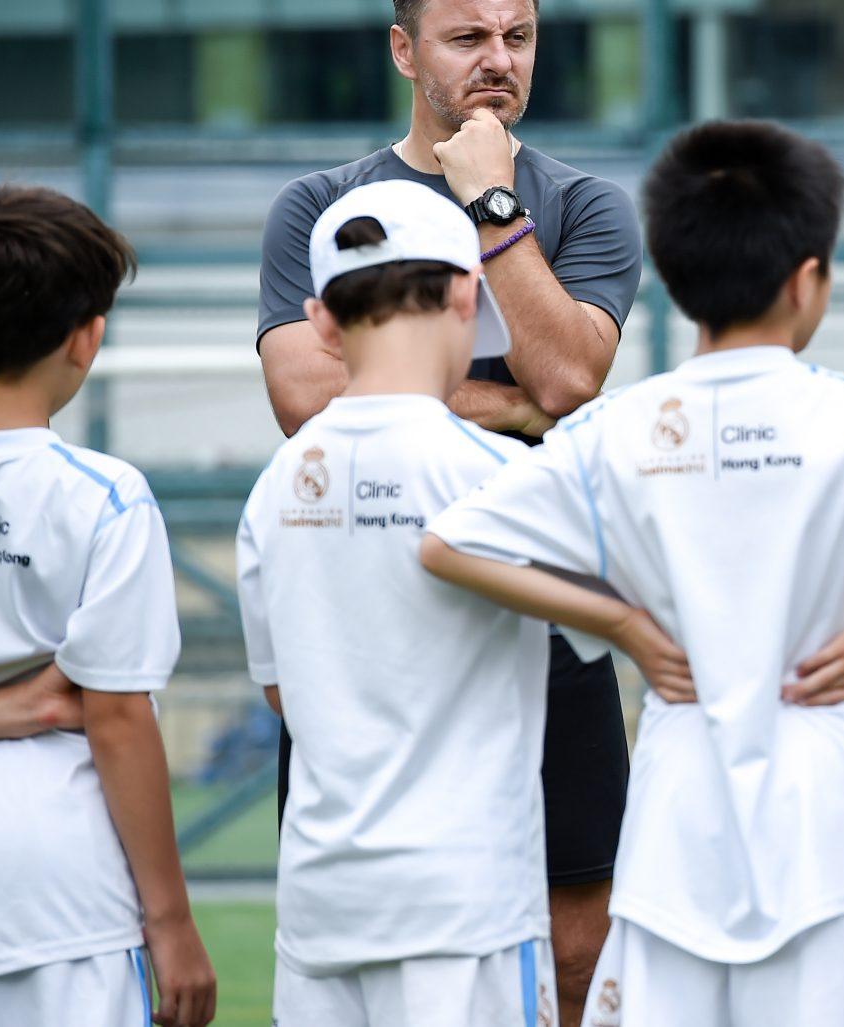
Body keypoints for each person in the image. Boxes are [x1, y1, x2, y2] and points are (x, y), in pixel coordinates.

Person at [420, 120, 844, 1027]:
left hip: (673, 830)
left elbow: (450, 544)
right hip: (819, 833)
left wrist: (622, 627)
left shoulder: (622, 425)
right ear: (808, 279)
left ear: (674, 269)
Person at [255, 0, 642, 1021]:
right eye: (468, 36)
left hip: (538, 592)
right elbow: (301, 397)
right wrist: (501, 398)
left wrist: (491, 206)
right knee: (357, 934)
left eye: (517, 36)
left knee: (580, 944)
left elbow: (567, 378)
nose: (498, 62)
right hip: (358, 601)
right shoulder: (317, 207)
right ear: (402, 50)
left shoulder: (580, 205)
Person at [239, 180, 613, 1025]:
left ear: (322, 322)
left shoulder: (273, 490)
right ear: (466, 295)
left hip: (320, 904)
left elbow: (280, 694)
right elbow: (615, 625)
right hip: (467, 904)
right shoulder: (501, 475)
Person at [0, 185, 217, 1027]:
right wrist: (172, 921)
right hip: (55, 892)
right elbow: (115, 716)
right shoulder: (104, 495)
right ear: (87, 339)